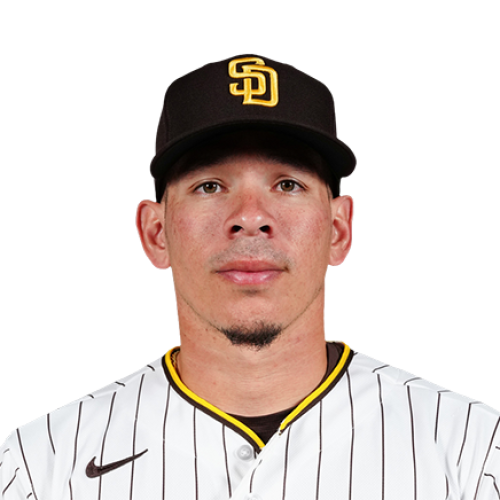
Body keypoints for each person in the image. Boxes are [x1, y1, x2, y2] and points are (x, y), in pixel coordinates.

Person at [1, 54, 498, 500]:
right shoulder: (41, 463)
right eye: (210, 185)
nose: (250, 217)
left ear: (339, 230)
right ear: (156, 233)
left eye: (288, 183)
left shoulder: (471, 450)